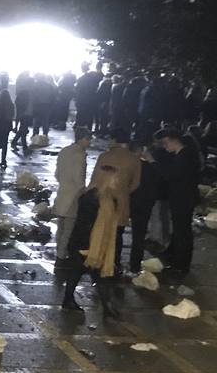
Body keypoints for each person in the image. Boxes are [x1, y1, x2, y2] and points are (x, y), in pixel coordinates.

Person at [61, 164, 123, 318]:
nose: (118, 182)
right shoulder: (90, 199)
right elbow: (84, 224)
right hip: (85, 245)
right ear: (106, 180)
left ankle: (71, 301)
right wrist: (87, 247)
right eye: (115, 178)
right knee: (88, 274)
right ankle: (104, 308)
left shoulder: (108, 198)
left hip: (97, 245)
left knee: (91, 274)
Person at [156, 127, 200, 275]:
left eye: (165, 143)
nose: (164, 146)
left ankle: (180, 265)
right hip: (183, 197)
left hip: (183, 198)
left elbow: (172, 175)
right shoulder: (184, 154)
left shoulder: (185, 156)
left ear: (173, 140)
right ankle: (176, 258)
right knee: (180, 230)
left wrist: (153, 163)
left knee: (182, 231)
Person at [53, 127, 92, 263]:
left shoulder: (64, 151)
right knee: (69, 229)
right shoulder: (80, 154)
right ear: (83, 139)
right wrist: (84, 191)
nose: (90, 143)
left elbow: (57, 174)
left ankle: (59, 250)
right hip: (73, 196)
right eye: (88, 139)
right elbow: (79, 179)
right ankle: (62, 254)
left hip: (62, 193)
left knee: (61, 226)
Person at [94, 128, 141, 233]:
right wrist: (124, 191)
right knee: (118, 234)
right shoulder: (134, 159)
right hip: (122, 200)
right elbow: (136, 183)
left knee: (102, 234)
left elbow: (96, 179)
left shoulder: (104, 156)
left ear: (114, 140)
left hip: (104, 200)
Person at [127, 140, 159, 273]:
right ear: (140, 151)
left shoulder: (128, 165)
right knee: (138, 236)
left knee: (116, 232)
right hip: (144, 204)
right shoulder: (148, 166)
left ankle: (112, 262)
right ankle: (134, 265)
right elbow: (159, 179)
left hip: (127, 202)